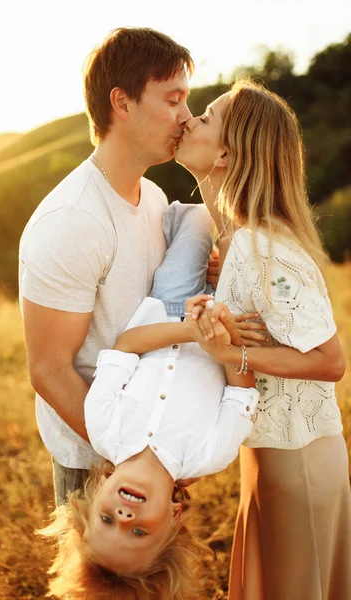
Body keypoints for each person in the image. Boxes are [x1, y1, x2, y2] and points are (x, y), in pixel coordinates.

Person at [175, 79, 350, 600]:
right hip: (276, 460)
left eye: (205, 117)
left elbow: (331, 359)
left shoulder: (259, 247)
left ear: (228, 151)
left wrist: (235, 352)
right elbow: (237, 243)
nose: (190, 120)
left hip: (296, 466)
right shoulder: (247, 238)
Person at [38, 201, 260, 600]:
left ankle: (179, 213)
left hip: (168, 305)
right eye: (138, 532)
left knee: (199, 220)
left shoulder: (104, 428)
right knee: (240, 240)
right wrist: (222, 337)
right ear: (173, 518)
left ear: (100, 487)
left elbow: (127, 346)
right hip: (230, 322)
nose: (125, 517)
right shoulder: (209, 454)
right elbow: (242, 391)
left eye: (107, 520)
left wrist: (192, 332)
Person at [18, 27, 195, 506]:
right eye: (173, 99)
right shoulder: (72, 220)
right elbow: (50, 370)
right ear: (122, 102)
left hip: (152, 451)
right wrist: (129, 455)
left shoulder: (154, 197)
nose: (187, 116)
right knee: (98, 584)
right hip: (95, 465)